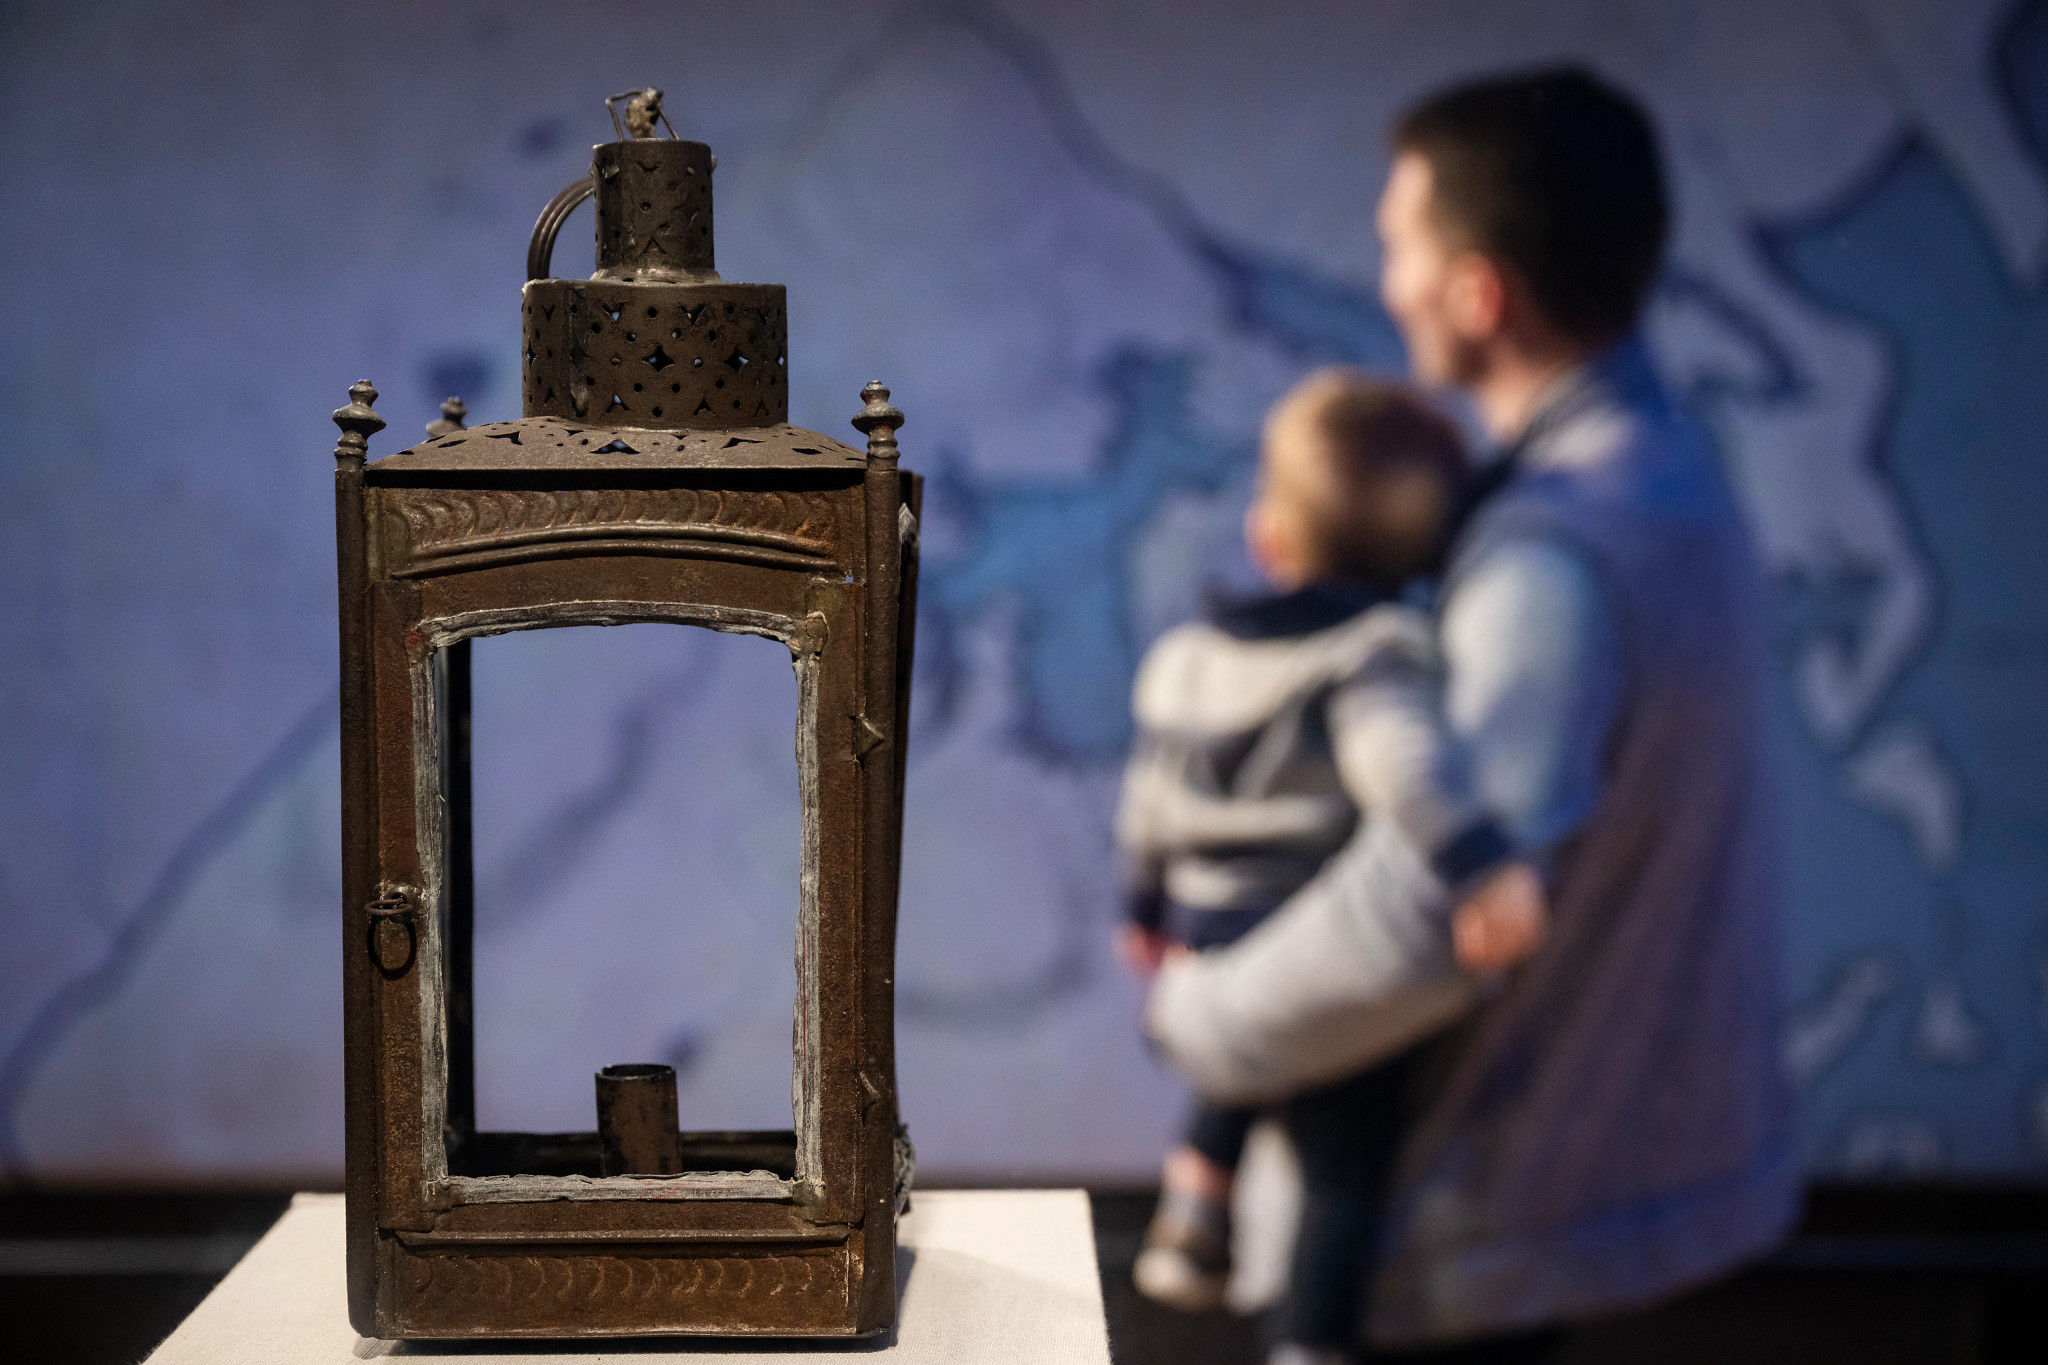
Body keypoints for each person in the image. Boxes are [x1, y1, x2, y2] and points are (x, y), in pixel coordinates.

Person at [1147, 67, 1796, 1364]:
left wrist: (1204, 1023)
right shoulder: (1665, 472)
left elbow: (1440, 905)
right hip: (1539, 1218)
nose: (1386, 280)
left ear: (1478, 292)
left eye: (1402, 246)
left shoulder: (1552, 554)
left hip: (1452, 1240)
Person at [1116, 370, 1547, 1349]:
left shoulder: (1181, 656)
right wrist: (1481, 864)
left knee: (1232, 1042)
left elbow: (1145, 804)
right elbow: (1404, 765)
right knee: (1340, 1168)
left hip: (1203, 924)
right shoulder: (1373, 650)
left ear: (1270, 536)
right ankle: (1310, 1340)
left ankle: (1194, 1208)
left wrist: (1141, 902)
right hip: (1302, 934)